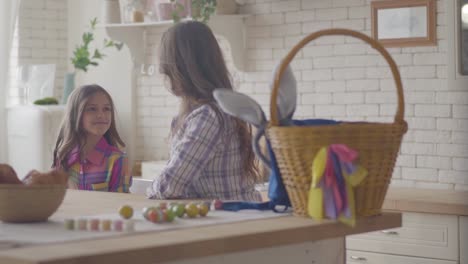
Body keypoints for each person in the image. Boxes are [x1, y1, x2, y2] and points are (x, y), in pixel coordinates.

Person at [146, 21, 262, 201]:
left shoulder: (208, 117)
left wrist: (151, 187)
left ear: (186, 69)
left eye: (169, 70)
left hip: (232, 220)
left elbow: (169, 186)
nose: (166, 78)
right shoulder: (204, 113)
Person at [53, 84, 131, 192]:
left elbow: (120, 205)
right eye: (92, 109)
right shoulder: (63, 158)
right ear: (76, 115)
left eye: (106, 109)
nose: (101, 115)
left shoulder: (118, 160)